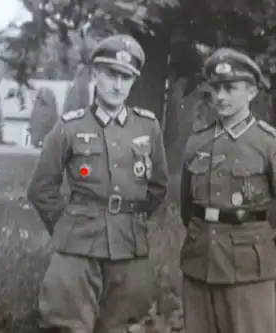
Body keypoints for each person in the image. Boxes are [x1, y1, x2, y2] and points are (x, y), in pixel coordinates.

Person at [26, 34, 169, 333]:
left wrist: (131, 223)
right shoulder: (70, 126)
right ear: (95, 75)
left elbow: (157, 187)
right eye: (111, 75)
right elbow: (41, 188)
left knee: (126, 325)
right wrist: (68, 226)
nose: (118, 85)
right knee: (67, 324)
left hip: (129, 250)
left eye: (126, 78)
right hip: (77, 249)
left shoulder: (147, 126)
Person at [179, 47, 276, 333]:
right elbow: (188, 210)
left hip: (249, 278)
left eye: (230, 88)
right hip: (198, 273)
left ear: (251, 92)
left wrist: (268, 265)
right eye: (216, 87)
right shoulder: (196, 144)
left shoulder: (271, 145)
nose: (220, 96)